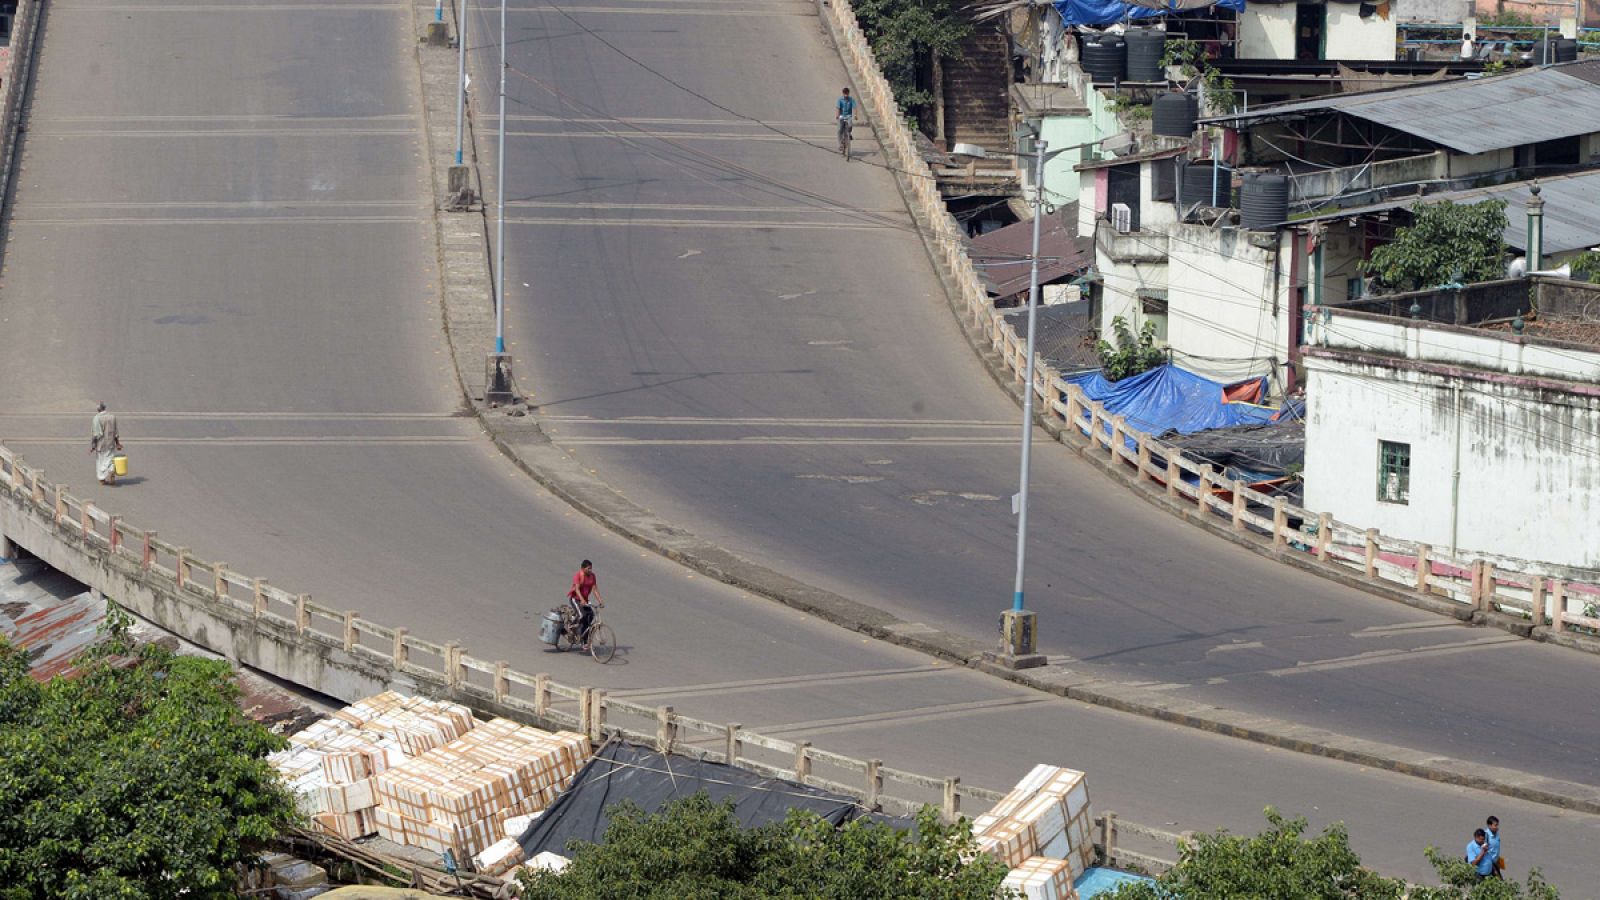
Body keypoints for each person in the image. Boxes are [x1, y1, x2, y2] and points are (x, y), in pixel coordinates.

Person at [566, 559, 602, 650]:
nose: (590, 570)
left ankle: (584, 641)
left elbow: (594, 589)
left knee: (590, 618)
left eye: (591, 568)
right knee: (582, 615)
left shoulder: (592, 576)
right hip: (576, 599)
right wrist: (582, 600)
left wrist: (600, 601)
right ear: (582, 568)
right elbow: (577, 589)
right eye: (588, 568)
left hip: (585, 600)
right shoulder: (578, 575)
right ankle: (570, 628)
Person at [89, 402, 122, 486]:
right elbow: (116, 432)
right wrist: (118, 443)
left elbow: (96, 434)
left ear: (98, 410)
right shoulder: (112, 417)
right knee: (110, 460)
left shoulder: (96, 418)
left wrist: (93, 446)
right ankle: (110, 471)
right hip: (110, 443)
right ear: (105, 408)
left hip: (101, 444)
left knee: (100, 461)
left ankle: (102, 479)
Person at [836, 87, 856, 156]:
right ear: (843, 93)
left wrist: (856, 115)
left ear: (848, 93)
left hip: (848, 116)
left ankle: (849, 133)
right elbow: (838, 108)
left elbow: (855, 107)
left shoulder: (851, 100)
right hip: (842, 116)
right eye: (845, 94)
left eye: (847, 94)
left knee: (850, 125)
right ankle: (840, 144)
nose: (846, 95)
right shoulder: (840, 100)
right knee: (839, 130)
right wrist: (837, 115)